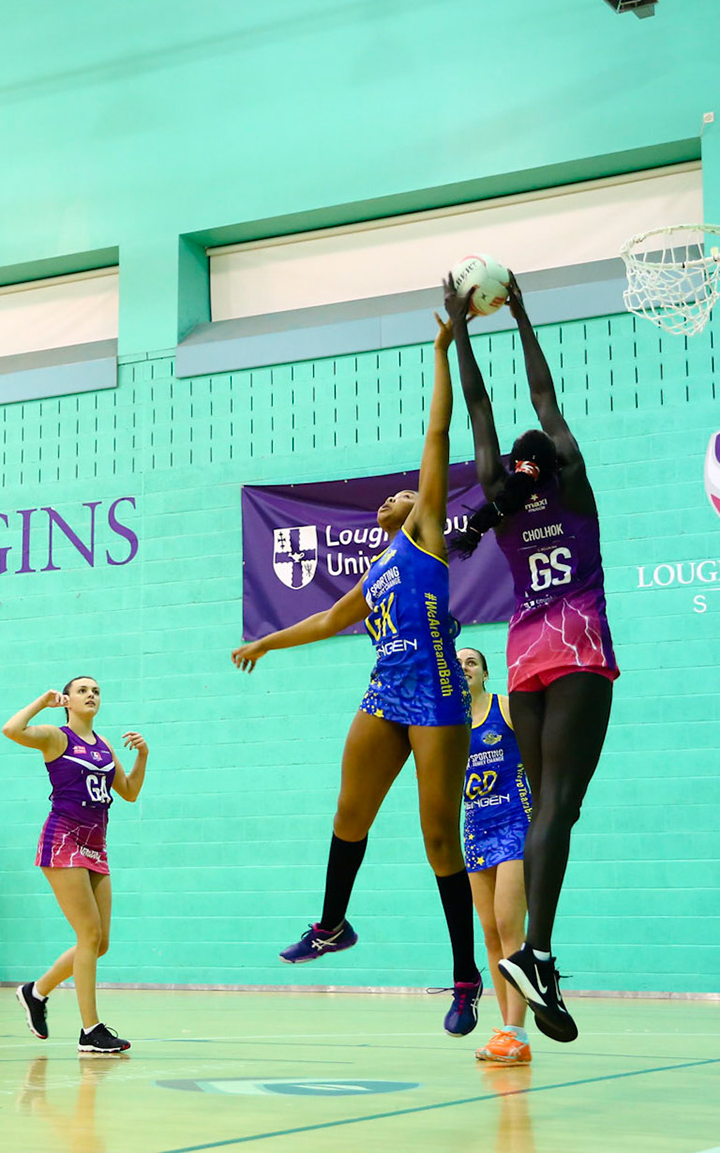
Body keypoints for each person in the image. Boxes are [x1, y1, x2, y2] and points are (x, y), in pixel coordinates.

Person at [231, 314, 484, 1038]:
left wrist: (440, 353)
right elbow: (322, 621)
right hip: (384, 693)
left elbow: (436, 441)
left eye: (407, 492)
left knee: (440, 839)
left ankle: (464, 979)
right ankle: (333, 924)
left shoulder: (425, 533)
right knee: (348, 816)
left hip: (437, 696)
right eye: (397, 496)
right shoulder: (375, 570)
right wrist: (265, 644)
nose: (397, 495)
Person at [446, 277, 621, 1043]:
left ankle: (538, 958)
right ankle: (535, 952)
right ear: (554, 462)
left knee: (548, 806)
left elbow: (482, 413)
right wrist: (521, 314)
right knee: (560, 807)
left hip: (523, 656)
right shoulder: (575, 488)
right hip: (578, 648)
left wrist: (461, 332)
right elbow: (543, 399)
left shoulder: (499, 498)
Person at [5, 679, 147, 1054]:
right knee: (88, 935)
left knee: (99, 943)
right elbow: (11, 729)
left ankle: (34, 993)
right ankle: (90, 1030)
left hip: (97, 847)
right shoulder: (56, 737)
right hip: (63, 840)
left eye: (97, 691)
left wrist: (143, 756)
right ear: (69, 699)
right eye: (83, 690)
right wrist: (42, 700)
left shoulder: (103, 746)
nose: (91, 695)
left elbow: (129, 792)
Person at [458, 647, 532, 1064]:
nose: (464, 666)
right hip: (475, 831)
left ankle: (518, 1031)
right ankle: (507, 1031)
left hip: (516, 825)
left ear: (485, 673)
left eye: (472, 662)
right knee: (488, 933)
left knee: (509, 927)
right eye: (458, 662)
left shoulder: (505, 709)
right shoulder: (447, 721)